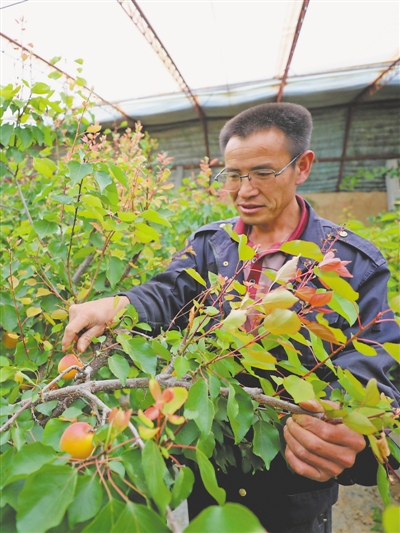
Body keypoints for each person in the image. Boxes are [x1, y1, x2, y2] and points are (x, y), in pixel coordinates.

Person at [62, 103, 399, 533]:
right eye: (234, 175)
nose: (244, 190)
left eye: (262, 173)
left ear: (303, 167)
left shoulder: (351, 260)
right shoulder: (211, 245)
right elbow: (168, 292)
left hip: (295, 482)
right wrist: (121, 303)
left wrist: (335, 412)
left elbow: (375, 355)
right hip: (214, 467)